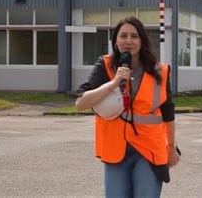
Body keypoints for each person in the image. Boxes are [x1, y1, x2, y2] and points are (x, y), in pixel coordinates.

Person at [75, 16, 180, 198]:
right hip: (115, 149)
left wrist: (171, 148)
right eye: (123, 36)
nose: (129, 41)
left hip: (148, 149)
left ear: (142, 41)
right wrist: (113, 83)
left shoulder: (159, 71)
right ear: (115, 41)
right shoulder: (106, 66)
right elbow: (80, 103)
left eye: (134, 36)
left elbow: (168, 113)